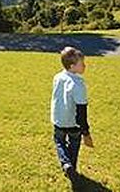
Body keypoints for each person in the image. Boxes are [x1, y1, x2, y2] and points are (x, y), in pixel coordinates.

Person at [50, 46, 94, 184]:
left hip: (58, 120)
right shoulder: (78, 84)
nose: (85, 66)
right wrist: (86, 133)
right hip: (73, 124)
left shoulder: (57, 77)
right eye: (82, 63)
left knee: (59, 142)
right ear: (72, 66)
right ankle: (71, 167)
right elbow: (81, 112)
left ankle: (67, 165)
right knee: (74, 145)